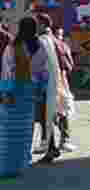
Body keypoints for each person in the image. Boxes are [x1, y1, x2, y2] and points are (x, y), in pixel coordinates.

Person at [0, 17, 48, 175]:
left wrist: (5, 92)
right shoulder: (40, 47)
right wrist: (40, 91)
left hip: (14, 92)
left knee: (8, 131)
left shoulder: (13, 47)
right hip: (30, 93)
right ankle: (21, 164)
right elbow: (44, 73)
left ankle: (7, 165)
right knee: (25, 130)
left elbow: (7, 71)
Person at [33, 14, 74, 162]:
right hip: (57, 81)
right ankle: (55, 145)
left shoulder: (43, 40)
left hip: (48, 83)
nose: (35, 27)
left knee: (48, 115)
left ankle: (54, 146)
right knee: (54, 113)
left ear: (43, 25)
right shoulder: (56, 41)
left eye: (36, 24)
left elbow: (37, 64)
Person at [52, 28, 75, 151]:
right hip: (59, 81)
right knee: (62, 111)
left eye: (60, 35)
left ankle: (60, 140)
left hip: (58, 81)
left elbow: (69, 65)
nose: (59, 37)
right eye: (58, 34)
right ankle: (63, 140)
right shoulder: (61, 46)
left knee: (60, 112)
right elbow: (69, 65)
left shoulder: (56, 46)